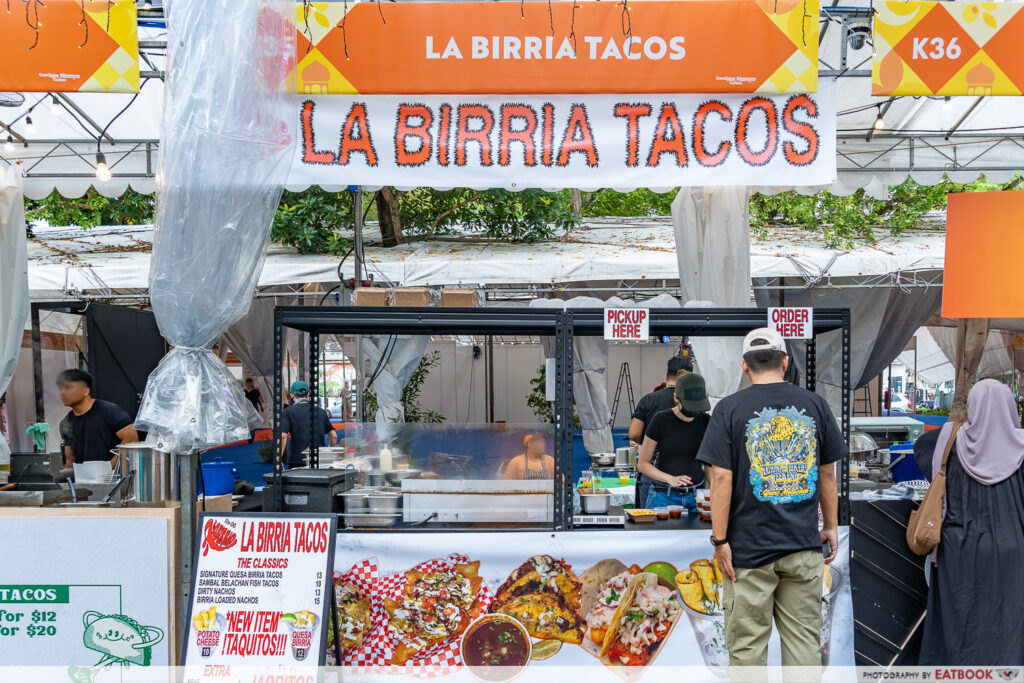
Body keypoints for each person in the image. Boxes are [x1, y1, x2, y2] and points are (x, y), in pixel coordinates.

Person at [696, 328, 845, 667]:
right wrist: (831, 526)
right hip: (802, 548)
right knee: (804, 650)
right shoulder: (815, 405)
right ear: (786, 362)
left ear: (744, 367)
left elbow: (720, 477)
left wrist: (720, 540)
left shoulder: (729, 409)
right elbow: (826, 475)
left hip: (748, 553)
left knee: (747, 652)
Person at [912, 379, 1024, 665]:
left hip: (958, 551)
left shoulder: (948, 440)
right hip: (1013, 553)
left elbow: (921, 446)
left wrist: (956, 422)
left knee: (959, 626)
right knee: (1009, 625)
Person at [637, 372, 711, 510]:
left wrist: (715, 491)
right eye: (690, 406)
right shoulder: (661, 420)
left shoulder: (705, 420)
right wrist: (669, 478)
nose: (694, 413)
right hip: (664, 496)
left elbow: (709, 463)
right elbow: (642, 464)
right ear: (676, 398)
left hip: (698, 496)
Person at [629, 355, 693, 507]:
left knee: (649, 522)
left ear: (666, 375)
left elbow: (634, 434)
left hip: (653, 468)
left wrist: (648, 443)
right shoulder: (694, 404)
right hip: (688, 475)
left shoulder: (649, 400)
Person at [57, 369, 138, 466]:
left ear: (85, 391)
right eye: (61, 388)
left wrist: (110, 466)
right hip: (83, 479)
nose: (62, 393)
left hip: (115, 479)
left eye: (68, 388)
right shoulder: (65, 423)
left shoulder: (109, 411)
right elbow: (69, 460)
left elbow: (132, 438)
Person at [280, 380, 337, 468]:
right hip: (319, 459)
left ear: (291, 395)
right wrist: (329, 448)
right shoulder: (321, 412)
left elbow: (283, 436)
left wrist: (278, 459)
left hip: (297, 459)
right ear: (308, 394)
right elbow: (333, 436)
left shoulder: (288, 412)